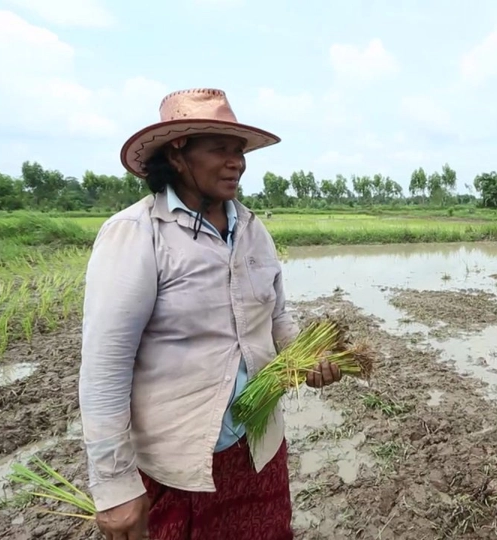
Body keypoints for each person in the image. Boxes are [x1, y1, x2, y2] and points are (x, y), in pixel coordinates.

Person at [78, 88, 344, 540]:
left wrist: (307, 359)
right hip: (179, 465)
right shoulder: (138, 233)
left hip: (258, 449)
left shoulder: (253, 230)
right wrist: (114, 484)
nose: (236, 162)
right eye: (219, 149)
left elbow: (277, 319)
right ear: (177, 155)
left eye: (239, 151)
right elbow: (105, 367)